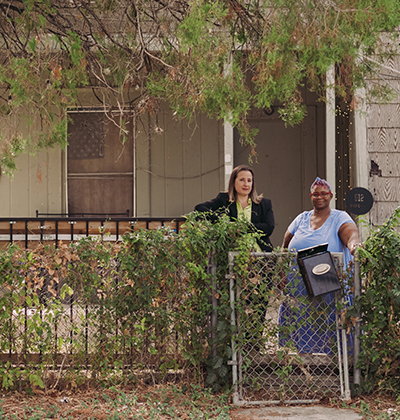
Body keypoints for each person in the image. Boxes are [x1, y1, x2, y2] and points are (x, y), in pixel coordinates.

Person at [279, 177, 361, 354]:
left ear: (330, 195)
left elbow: (350, 233)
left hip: (327, 280)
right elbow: (285, 244)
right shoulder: (302, 218)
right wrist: (282, 272)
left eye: (324, 193)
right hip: (298, 282)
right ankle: (305, 360)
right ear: (311, 196)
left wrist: (354, 245)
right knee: (302, 319)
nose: (319, 197)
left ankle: (337, 361)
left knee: (329, 318)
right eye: (315, 194)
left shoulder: (339, 216)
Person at [194, 165, 275, 252]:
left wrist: (242, 228)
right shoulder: (223, 200)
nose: (246, 184)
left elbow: (269, 228)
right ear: (233, 182)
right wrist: (226, 223)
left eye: (249, 180)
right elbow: (199, 208)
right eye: (241, 180)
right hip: (230, 255)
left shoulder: (264, 204)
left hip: (260, 257)